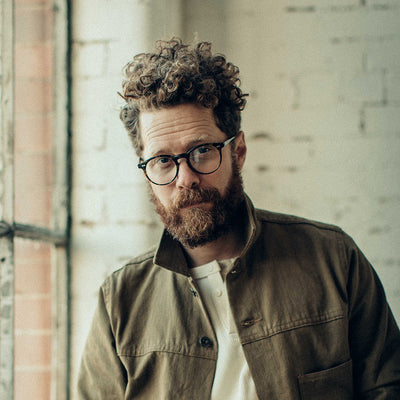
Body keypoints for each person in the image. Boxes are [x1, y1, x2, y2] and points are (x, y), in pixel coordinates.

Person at [77, 38, 400, 399]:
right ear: (146, 172)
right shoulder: (120, 301)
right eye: (163, 161)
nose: (185, 179)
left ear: (239, 151)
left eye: (202, 151)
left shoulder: (333, 260)